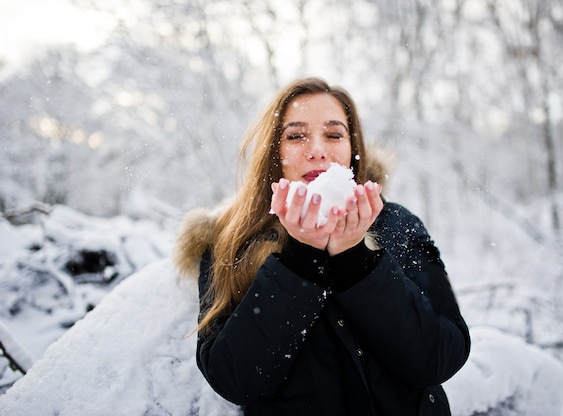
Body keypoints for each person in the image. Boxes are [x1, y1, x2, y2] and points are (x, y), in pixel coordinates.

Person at [173, 77, 470, 416]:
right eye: (296, 136)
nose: (317, 150)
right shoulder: (230, 238)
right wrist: (300, 257)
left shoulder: (396, 224)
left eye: (334, 135)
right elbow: (236, 380)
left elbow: (441, 357)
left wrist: (356, 257)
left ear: (351, 150)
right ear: (275, 152)